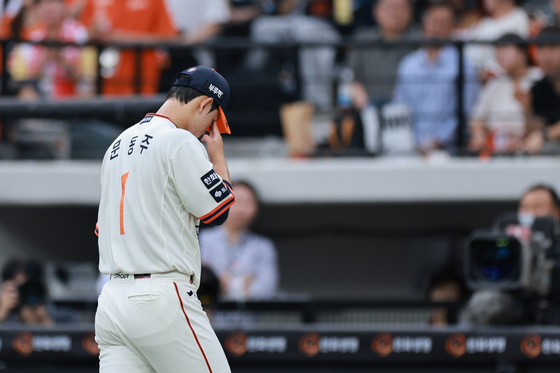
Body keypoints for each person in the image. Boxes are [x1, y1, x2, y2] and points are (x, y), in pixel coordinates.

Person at [94, 66, 235, 373]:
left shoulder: (115, 146)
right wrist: (218, 158)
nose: (208, 132)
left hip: (112, 302)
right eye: (212, 121)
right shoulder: (178, 141)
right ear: (203, 105)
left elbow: (101, 229)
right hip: (160, 297)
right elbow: (219, 210)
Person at [393, 1, 479, 154]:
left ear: (453, 27)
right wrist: (410, 143)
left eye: (442, 23)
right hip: (409, 149)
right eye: (432, 21)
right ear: (424, 24)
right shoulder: (408, 65)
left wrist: (437, 141)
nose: (436, 28)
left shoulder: (463, 65)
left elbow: (466, 112)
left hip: (449, 150)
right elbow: (400, 108)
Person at [77, 0, 179, 95]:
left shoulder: (154, 2)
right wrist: (91, 34)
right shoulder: (93, 2)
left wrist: (122, 39)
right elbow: (79, 35)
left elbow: (169, 38)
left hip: (143, 81)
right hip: (103, 82)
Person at [200, 181, 279, 301]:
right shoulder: (203, 239)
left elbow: (267, 288)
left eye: (247, 202)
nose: (241, 209)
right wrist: (241, 285)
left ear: (256, 208)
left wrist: (226, 287)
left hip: (247, 318)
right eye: (236, 201)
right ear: (222, 203)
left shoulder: (263, 246)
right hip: (209, 317)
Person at [468, 34, 543, 154]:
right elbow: (477, 119)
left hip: (528, 147)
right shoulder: (494, 83)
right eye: (497, 50)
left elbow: (544, 125)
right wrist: (479, 137)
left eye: (504, 49)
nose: (499, 55)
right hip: (494, 147)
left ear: (522, 52)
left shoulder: (539, 79)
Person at [347, 0, 418, 108]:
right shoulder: (363, 40)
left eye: (402, 7)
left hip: (410, 109)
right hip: (368, 108)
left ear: (411, 12)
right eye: (390, 7)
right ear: (376, 11)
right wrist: (357, 93)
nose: (396, 13)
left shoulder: (420, 42)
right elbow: (349, 76)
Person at [517, 27, 560, 154]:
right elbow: (533, 132)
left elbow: (542, 134)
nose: (546, 57)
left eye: (552, 48)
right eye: (540, 49)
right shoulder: (539, 87)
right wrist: (526, 109)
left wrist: (545, 134)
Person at [464, 0, 529, 76]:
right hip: (480, 73)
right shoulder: (485, 23)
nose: (485, 2)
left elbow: (519, 54)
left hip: (509, 75)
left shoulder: (519, 16)